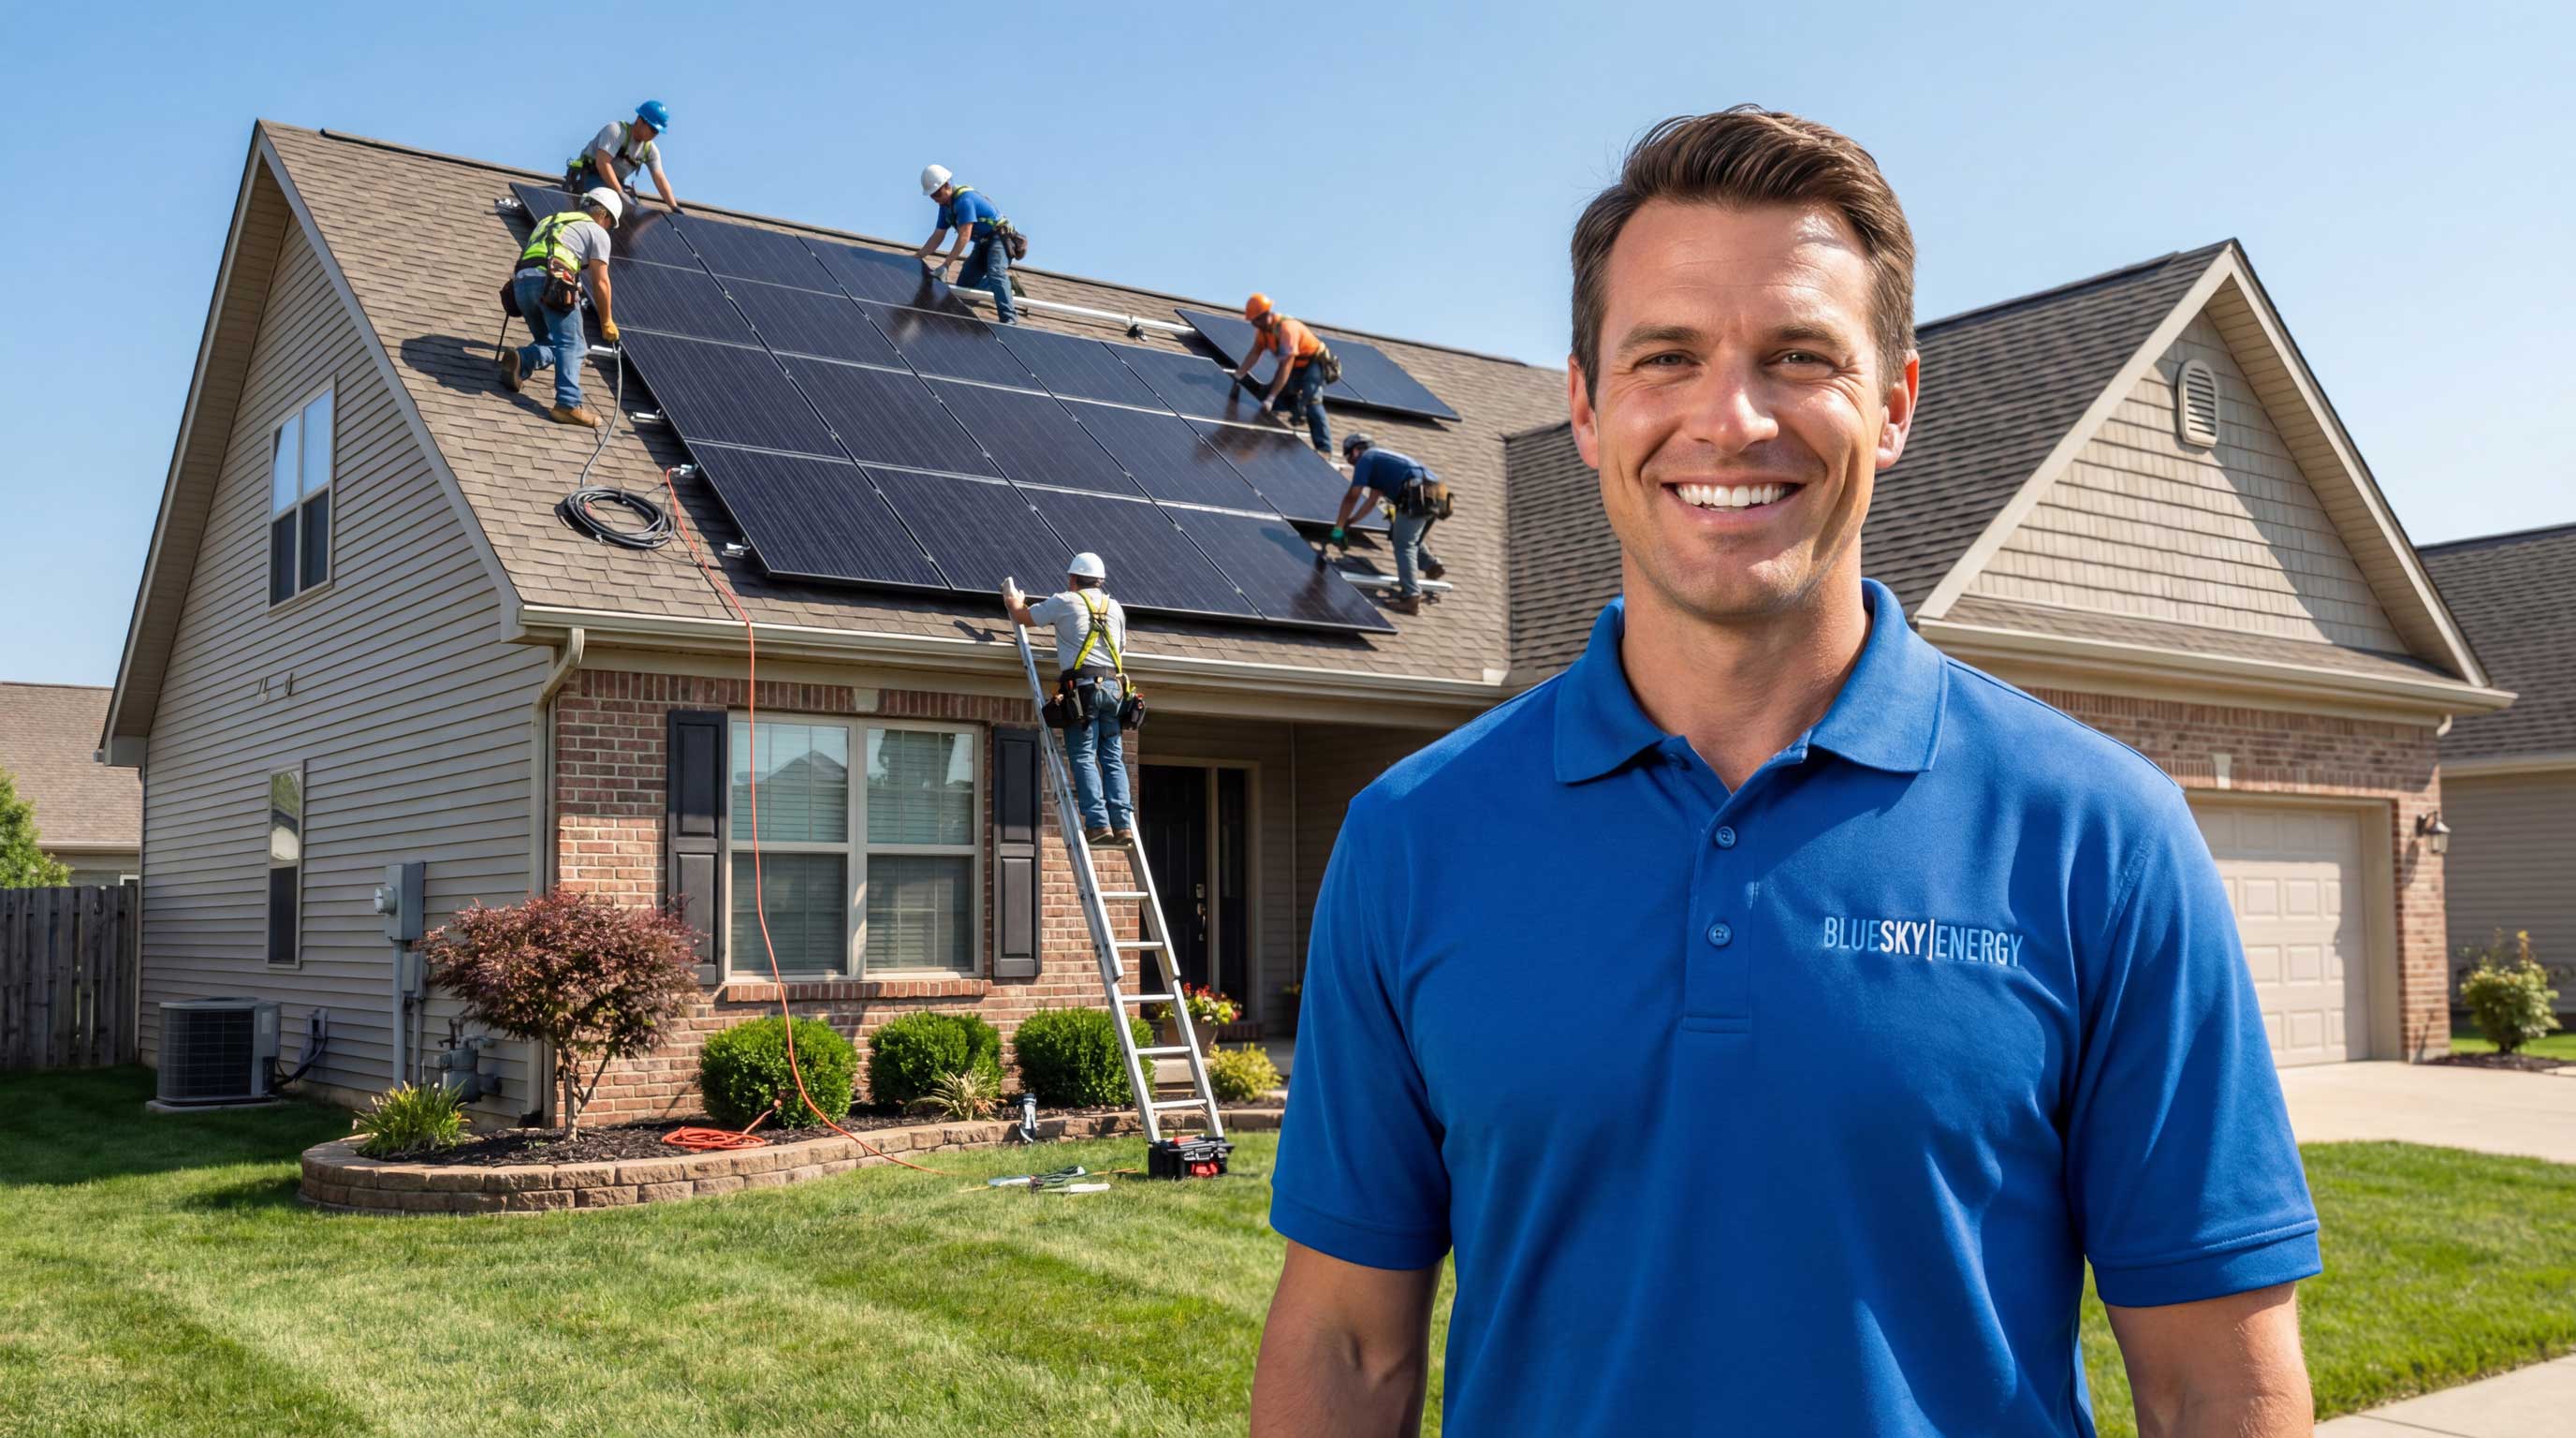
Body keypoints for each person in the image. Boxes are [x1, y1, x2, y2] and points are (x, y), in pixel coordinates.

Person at [1252, 108, 2320, 1437]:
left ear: (1894, 405)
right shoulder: (1413, 837)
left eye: (1799, 357)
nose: (1731, 418)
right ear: (1584, 405)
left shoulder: (2100, 838)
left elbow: (2216, 1378)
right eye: (1667, 357)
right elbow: (1347, 1348)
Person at [1003, 554, 1133, 844]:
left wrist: (1014, 601)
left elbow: (1023, 617)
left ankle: (1098, 824)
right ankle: (1123, 825)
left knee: (1084, 755)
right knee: (1112, 757)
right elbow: (1121, 647)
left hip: (1083, 691)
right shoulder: (1115, 608)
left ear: (1073, 579)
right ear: (1099, 580)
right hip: (1114, 689)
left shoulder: (1065, 601)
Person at [498, 188, 622, 428]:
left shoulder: (550, 221)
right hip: (553, 285)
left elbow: (540, 255)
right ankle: (568, 404)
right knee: (574, 345)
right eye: (610, 223)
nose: (608, 229)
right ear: (603, 214)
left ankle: (523, 360)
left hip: (522, 285)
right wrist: (606, 320)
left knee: (554, 344)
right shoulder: (596, 231)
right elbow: (601, 282)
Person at [1334, 433, 1445, 613]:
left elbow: (1352, 496)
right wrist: (1352, 521)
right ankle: (1430, 565)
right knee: (1401, 535)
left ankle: (1411, 597)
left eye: (1350, 459)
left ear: (1355, 451)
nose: (1352, 464)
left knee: (1404, 545)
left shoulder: (1365, 459)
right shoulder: (1381, 462)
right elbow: (1372, 501)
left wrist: (1338, 527)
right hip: (1437, 492)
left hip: (1415, 492)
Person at [1229, 294, 1335, 454]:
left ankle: (1324, 448)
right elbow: (1254, 353)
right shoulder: (1263, 332)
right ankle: (1297, 409)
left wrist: (1271, 398)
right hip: (1296, 366)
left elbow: (1286, 365)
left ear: (1265, 315)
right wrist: (1238, 374)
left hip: (1314, 363)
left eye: (1255, 320)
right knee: (1278, 396)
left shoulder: (1287, 328)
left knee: (1312, 399)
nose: (1254, 324)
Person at [916, 165, 1017, 323]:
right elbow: (938, 236)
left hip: (999, 238)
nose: (935, 199)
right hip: (982, 243)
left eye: (937, 194)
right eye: (931, 196)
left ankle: (1009, 319)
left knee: (995, 272)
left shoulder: (965, 200)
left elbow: (964, 235)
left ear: (947, 185)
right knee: (962, 290)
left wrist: (946, 265)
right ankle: (1002, 286)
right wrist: (918, 256)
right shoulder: (945, 207)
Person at [565, 101, 681, 213]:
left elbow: (659, 178)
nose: (654, 134)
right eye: (653, 129)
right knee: (605, 204)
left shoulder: (650, 150)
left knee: (631, 213)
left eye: (657, 132)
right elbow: (602, 163)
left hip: (614, 185)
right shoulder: (616, 131)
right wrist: (620, 192)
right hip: (589, 177)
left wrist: (674, 207)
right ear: (640, 120)